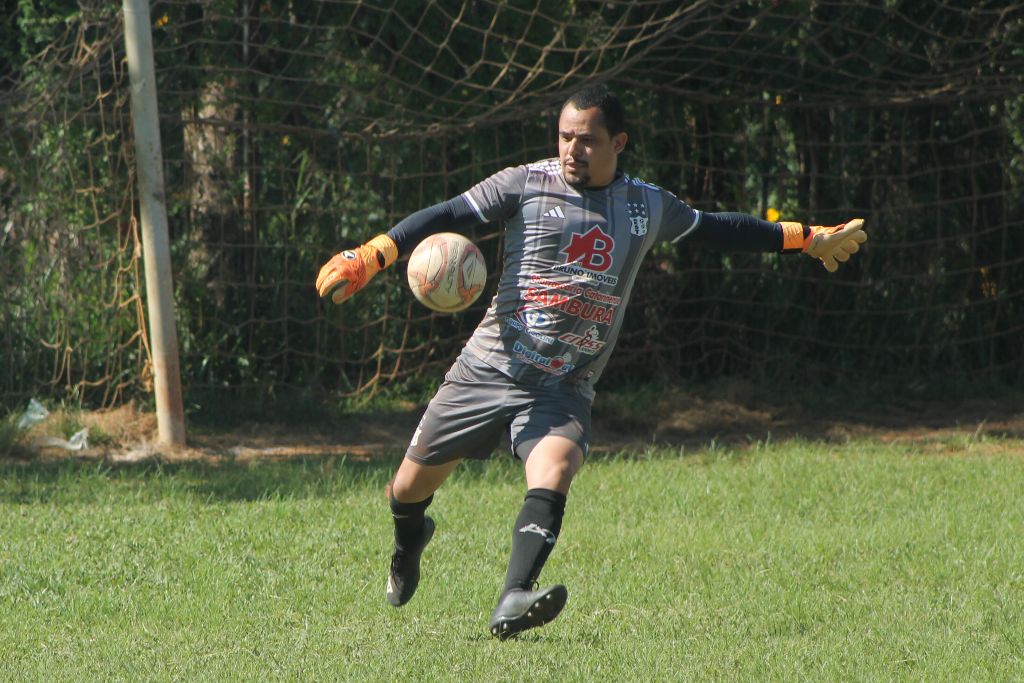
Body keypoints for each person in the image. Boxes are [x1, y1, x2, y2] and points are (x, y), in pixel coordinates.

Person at [315, 85, 867, 640]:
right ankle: (410, 538)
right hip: (487, 369)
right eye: (565, 137)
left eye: (587, 140)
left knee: (554, 469)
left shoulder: (646, 206)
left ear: (618, 143)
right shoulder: (525, 184)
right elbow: (448, 212)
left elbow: (719, 228)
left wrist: (806, 238)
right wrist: (374, 253)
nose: (572, 150)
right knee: (406, 491)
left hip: (564, 384)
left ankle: (514, 596)